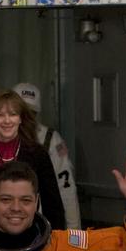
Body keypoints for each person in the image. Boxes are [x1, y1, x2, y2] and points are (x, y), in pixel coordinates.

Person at [0, 89, 66, 231]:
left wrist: (55, 242)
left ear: (20, 118)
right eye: (0, 115)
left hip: (29, 232)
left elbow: (53, 206)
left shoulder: (38, 154)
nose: (7, 121)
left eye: (13, 114)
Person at [13, 82, 81, 229]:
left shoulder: (50, 139)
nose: (26, 118)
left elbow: (66, 189)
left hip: (41, 225)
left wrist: (74, 235)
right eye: (21, 111)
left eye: (31, 113)